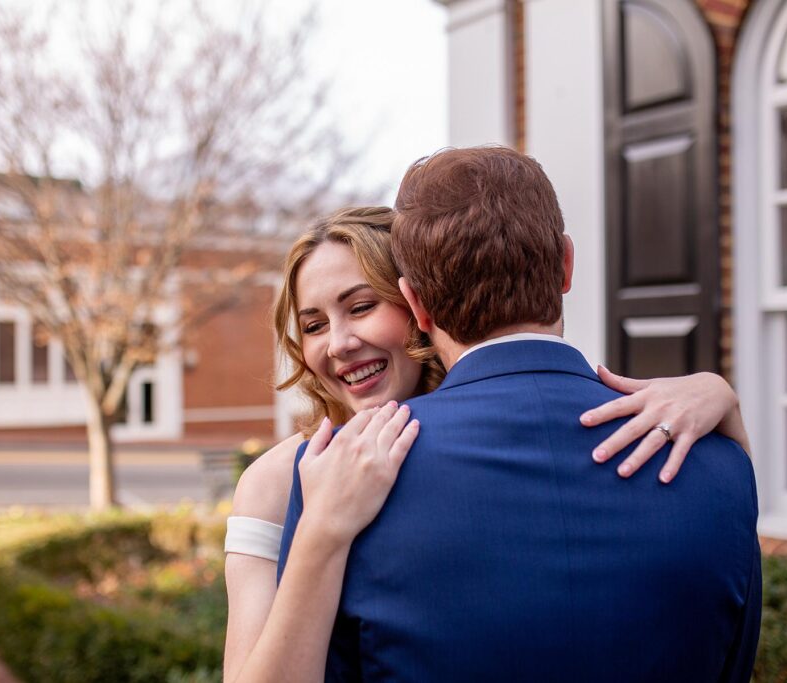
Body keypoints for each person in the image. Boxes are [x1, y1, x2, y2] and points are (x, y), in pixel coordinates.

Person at [275, 148, 760, 681]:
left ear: (415, 304)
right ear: (567, 265)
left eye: (362, 306)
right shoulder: (719, 464)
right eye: (314, 324)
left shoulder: (347, 476)